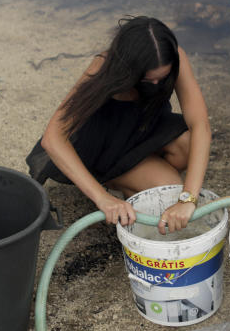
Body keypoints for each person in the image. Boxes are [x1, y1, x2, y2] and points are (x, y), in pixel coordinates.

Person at [26, 16, 211, 235]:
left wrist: (188, 198)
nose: (156, 85)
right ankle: (117, 181)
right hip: (107, 146)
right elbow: (53, 138)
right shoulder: (104, 67)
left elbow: (200, 125)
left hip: (144, 127)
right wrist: (102, 198)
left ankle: (141, 175)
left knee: (190, 146)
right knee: (167, 188)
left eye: (162, 80)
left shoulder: (173, 56)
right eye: (147, 81)